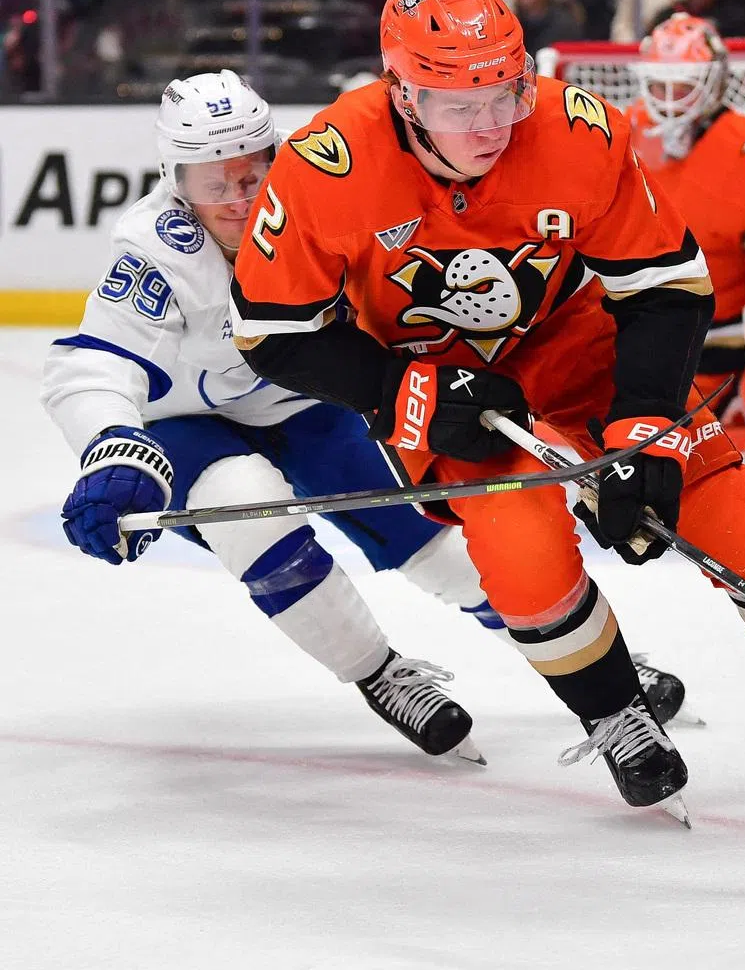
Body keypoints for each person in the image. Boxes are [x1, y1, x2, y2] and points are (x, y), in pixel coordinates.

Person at [229, 0, 745, 817]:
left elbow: (669, 285)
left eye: (505, 91)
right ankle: (618, 714)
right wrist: (399, 388)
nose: (491, 124)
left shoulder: (573, 127)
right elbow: (272, 333)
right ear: (402, 94)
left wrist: (642, 426)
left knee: (729, 511)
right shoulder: (325, 166)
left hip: (582, 349)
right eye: (461, 104)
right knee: (522, 560)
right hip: (442, 386)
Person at [40, 71, 687, 741]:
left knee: (426, 536)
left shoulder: (318, 195)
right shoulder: (154, 249)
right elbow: (90, 362)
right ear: (176, 181)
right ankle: (376, 671)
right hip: (186, 422)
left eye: (251, 172)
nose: (238, 199)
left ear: (274, 156)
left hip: (301, 398)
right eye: (213, 182)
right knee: (250, 509)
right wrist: (111, 450)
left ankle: (588, 667)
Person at [626, 12, 745, 499]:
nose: (666, 101)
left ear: (714, 82)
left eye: (681, 86)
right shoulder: (622, 134)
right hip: (632, 351)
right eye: (657, 87)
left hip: (723, 360)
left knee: (738, 488)